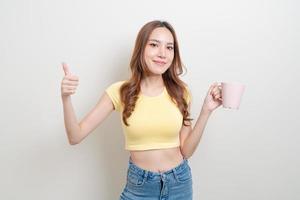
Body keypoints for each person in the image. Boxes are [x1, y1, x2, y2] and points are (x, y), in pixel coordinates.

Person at [61, 20, 222, 200]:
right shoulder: (119, 91)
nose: (162, 53)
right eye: (154, 45)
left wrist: (206, 111)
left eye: (169, 48)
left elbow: (187, 151)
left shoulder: (181, 92)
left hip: (179, 183)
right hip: (140, 187)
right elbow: (75, 136)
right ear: (141, 49)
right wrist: (66, 98)